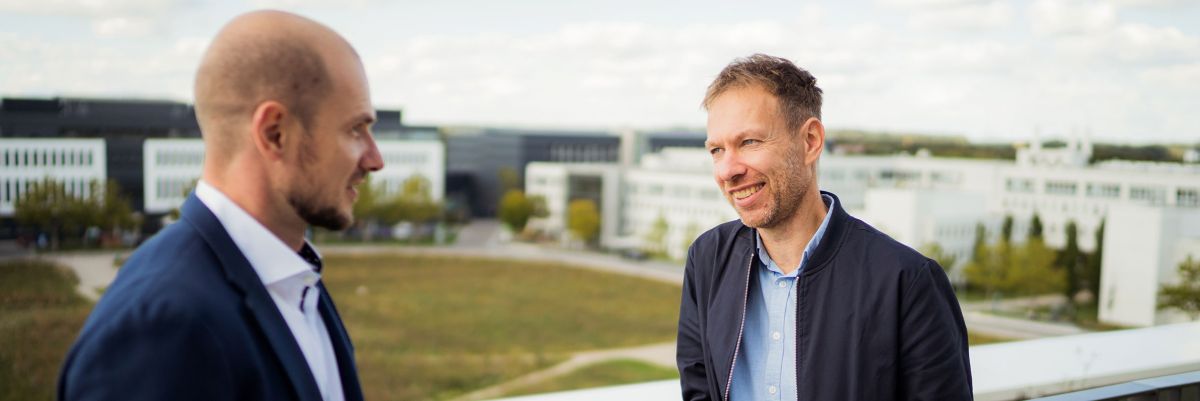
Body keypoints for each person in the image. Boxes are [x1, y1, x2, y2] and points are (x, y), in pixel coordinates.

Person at [58, 10, 383, 401]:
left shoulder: (294, 279)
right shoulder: (165, 327)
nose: (374, 159)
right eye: (354, 130)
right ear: (274, 133)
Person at [676, 54, 972, 401]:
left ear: (811, 141)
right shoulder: (707, 259)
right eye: (716, 149)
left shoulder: (906, 282)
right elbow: (699, 390)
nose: (727, 170)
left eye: (749, 142)